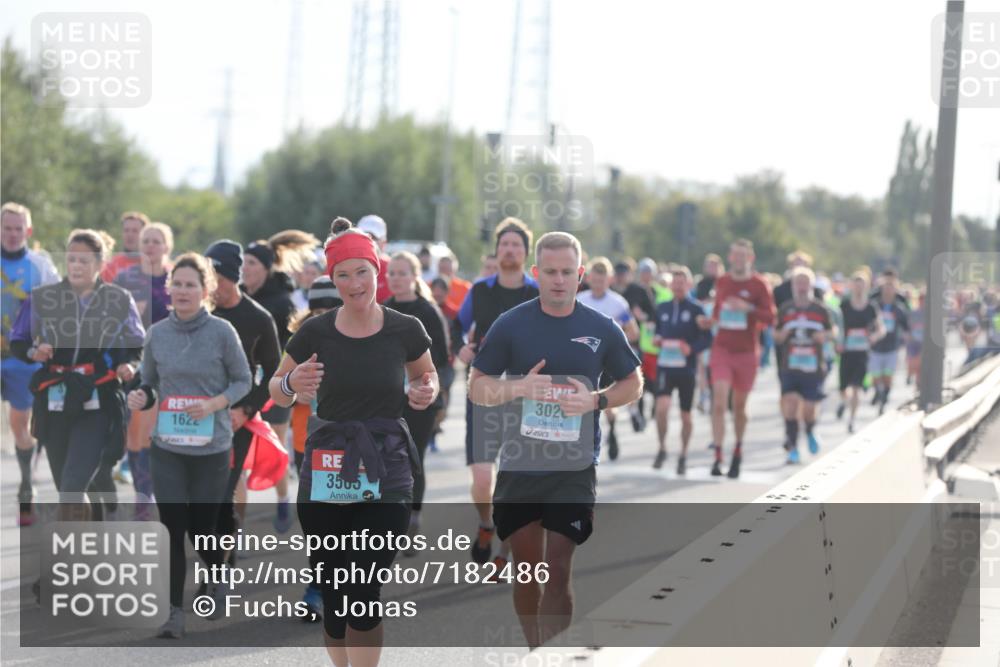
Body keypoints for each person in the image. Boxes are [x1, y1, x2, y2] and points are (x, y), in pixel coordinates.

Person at [270, 216, 437, 667]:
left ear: (376, 271)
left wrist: (425, 391)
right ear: (332, 278)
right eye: (342, 274)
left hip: (387, 470)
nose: (353, 283)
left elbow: (427, 377)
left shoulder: (405, 328)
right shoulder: (314, 332)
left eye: (361, 271)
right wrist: (293, 386)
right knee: (336, 593)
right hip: (327, 471)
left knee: (364, 588)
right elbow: (276, 386)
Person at [468, 231, 642, 649]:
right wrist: (519, 389)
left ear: (580, 274)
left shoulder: (601, 327)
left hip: (574, 467)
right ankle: (535, 650)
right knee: (528, 572)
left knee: (558, 569)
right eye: (550, 272)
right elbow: (478, 387)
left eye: (567, 272)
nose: (559, 280)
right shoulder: (511, 325)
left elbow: (633, 383)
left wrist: (595, 401)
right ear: (536, 273)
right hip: (522, 463)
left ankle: (554, 657)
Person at [127, 253, 251, 639]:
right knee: (172, 528)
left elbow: (243, 380)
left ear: (205, 290)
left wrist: (215, 404)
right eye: (177, 284)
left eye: (190, 285)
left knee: (202, 530)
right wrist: (140, 396)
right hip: (168, 446)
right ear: (169, 290)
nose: (182, 291)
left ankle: (217, 574)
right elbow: (149, 383)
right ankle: (174, 613)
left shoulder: (221, 332)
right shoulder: (157, 334)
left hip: (211, 446)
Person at [10, 229, 144, 519]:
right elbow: (18, 340)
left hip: (98, 397)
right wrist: (34, 352)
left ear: (100, 263)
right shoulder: (43, 298)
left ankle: (72, 555)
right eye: (72, 259)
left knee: (72, 485)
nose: (77, 266)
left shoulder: (118, 299)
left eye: (84, 260)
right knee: (68, 488)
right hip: (55, 398)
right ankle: (93, 544)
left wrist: (130, 364)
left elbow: (136, 344)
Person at [457, 217, 539, 568]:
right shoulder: (479, 290)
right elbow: (458, 328)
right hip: (484, 390)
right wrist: (461, 347)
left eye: (516, 245)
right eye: (504, 244)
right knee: (482, 479)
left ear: (525, 252)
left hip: (525, 394)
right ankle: (486, 523)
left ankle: (505, 551)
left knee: (516, 475)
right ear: (497, 250)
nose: (509, 249)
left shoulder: (536, 292)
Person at [204, 240, 282, 570]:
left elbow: (273, 374)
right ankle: (221, 555)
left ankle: (221, 566)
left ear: (233, 277)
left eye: (216, 278)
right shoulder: (198, 313)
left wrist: (245, 410)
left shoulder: (258, 318)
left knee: (223, 491)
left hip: (237, 417)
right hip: (197, 415)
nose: (211, 287)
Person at [243, 230, 320, 531]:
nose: (245, 269)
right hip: (243, 384)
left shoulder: (281, 303)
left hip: (275, 384)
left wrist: (291, 382)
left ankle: (283, 499)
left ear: (265, 268)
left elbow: (293, 348)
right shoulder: (236, 296)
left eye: (251, 263)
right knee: (239, 456)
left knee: (275, 448)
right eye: (244, 263)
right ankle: (233, 530)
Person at [385, 252, 450, 549]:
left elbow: (439, 359)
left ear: (414, 276)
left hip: (421, 399)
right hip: (388, 399)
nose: (396, 278)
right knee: (387, 460)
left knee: (413, 460)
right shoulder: (381, 310)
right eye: (392, 273)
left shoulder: (427, 311)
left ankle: (412, 519)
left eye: (402, 273)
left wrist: (424, 384)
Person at [286, 274, 341, 621]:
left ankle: (342, 585)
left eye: (330, 307)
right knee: (320, 524)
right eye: (316, 307)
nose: (322, 314)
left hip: (352, 443)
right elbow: (276, 387)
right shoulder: (300, 339)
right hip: (307, 442)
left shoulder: (362, 338)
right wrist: (294, 391)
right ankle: (317, 588)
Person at [1, 202, 59, 526]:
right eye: (6, 227)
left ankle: (27, 484)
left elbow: (56, 311)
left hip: (21, 357)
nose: (11, 234)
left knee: (20, 427)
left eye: (17, 228)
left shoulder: (40, 267)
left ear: (28, 231)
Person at [698, 239, 776, 478]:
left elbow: (771, 317)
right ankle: (718, 454)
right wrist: (710, 321)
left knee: (739, 407)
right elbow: (719, 312)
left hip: (746, 353)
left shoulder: (759, 285)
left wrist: (748, 308)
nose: (739, 259)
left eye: (744, 255)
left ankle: (738, 450)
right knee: (719, 400)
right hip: (722, 349)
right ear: (730, 258)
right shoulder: (723, 281)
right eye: (735, 255)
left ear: (750, 258)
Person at [114, 221, 174, 517]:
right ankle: (143, 493)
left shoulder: (176, 279)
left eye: (156, 241)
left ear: (167, 247)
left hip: (170, 363)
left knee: (157, 429)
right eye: (146, 241)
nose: (150, 246)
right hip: (134, 361)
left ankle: (155, 491)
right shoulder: (127, 279)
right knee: (135, 431)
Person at [577, 256, 638, 461]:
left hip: (608, 361)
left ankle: (611, 428)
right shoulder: (580, 300)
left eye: (602, 281)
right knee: (583, 401)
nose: (598, 284)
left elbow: (633, 332)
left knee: (606, 403)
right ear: (588, 278)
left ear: (609, 280)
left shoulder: (618, 303)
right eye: (595, 280)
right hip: (585, 360)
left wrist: (618, 344)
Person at [652, 266, 712, 473]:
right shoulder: (662, 307)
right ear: (670, 285)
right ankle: (662, 448)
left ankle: (684, 454)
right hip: (665, 367)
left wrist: (691, 349)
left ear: (688, 285)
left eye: (681, 283)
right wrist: (657, 340)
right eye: (674, 283)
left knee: (686, 415)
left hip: (686, 369)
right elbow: (657, 330)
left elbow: (707, 338)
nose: (678, 286)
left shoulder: (696, 309)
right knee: (661, 408)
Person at [773, 267, 834, 463]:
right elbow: (775, 333)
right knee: (790, 404)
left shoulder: (820, 309)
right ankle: (792, 446)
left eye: (804, 283)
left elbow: (833, 332)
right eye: (797, 283)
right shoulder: (785, 309)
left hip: (813, 367)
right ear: (792, 286)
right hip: (789, 366)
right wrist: (780, 336)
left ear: (811, 285)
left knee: (808, 407)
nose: (801, 287)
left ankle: (809, 430)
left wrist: (823, 336)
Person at [836, 271, 885, 433]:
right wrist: (837, 340)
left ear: (867, 287)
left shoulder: (871, 307)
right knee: (843, 388)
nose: (858, 289)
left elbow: (881, 328)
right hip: (846, 351)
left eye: (862, 285)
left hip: (863, 351)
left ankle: (852, 419)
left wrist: (874, 337)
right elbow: (835, 325)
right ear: (851, 286)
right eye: (856, 285)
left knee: (857, 386)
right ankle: (844, 401)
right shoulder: (844, 305)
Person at [869, 268, 910, 415]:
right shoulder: (874, 301)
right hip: (875, 346)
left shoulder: (900, 304)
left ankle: (884, 396)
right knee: (875, 375)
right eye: (885, 284)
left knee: (887, 375)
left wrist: (907, 339)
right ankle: (877, 391)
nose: (888, 288)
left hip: (892, 346)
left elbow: (906, 324)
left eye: (891, 284)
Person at [100, 211, 149, 283]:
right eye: (126, 230)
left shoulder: (156, 266)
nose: (130, 234)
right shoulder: (110, 266)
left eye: (135, 231)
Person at [356, 214, 393, 303]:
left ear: (384, 243)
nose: (368, 242)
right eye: (364, 237)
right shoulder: (341, 267)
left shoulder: (393, 269)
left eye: (373, 238)